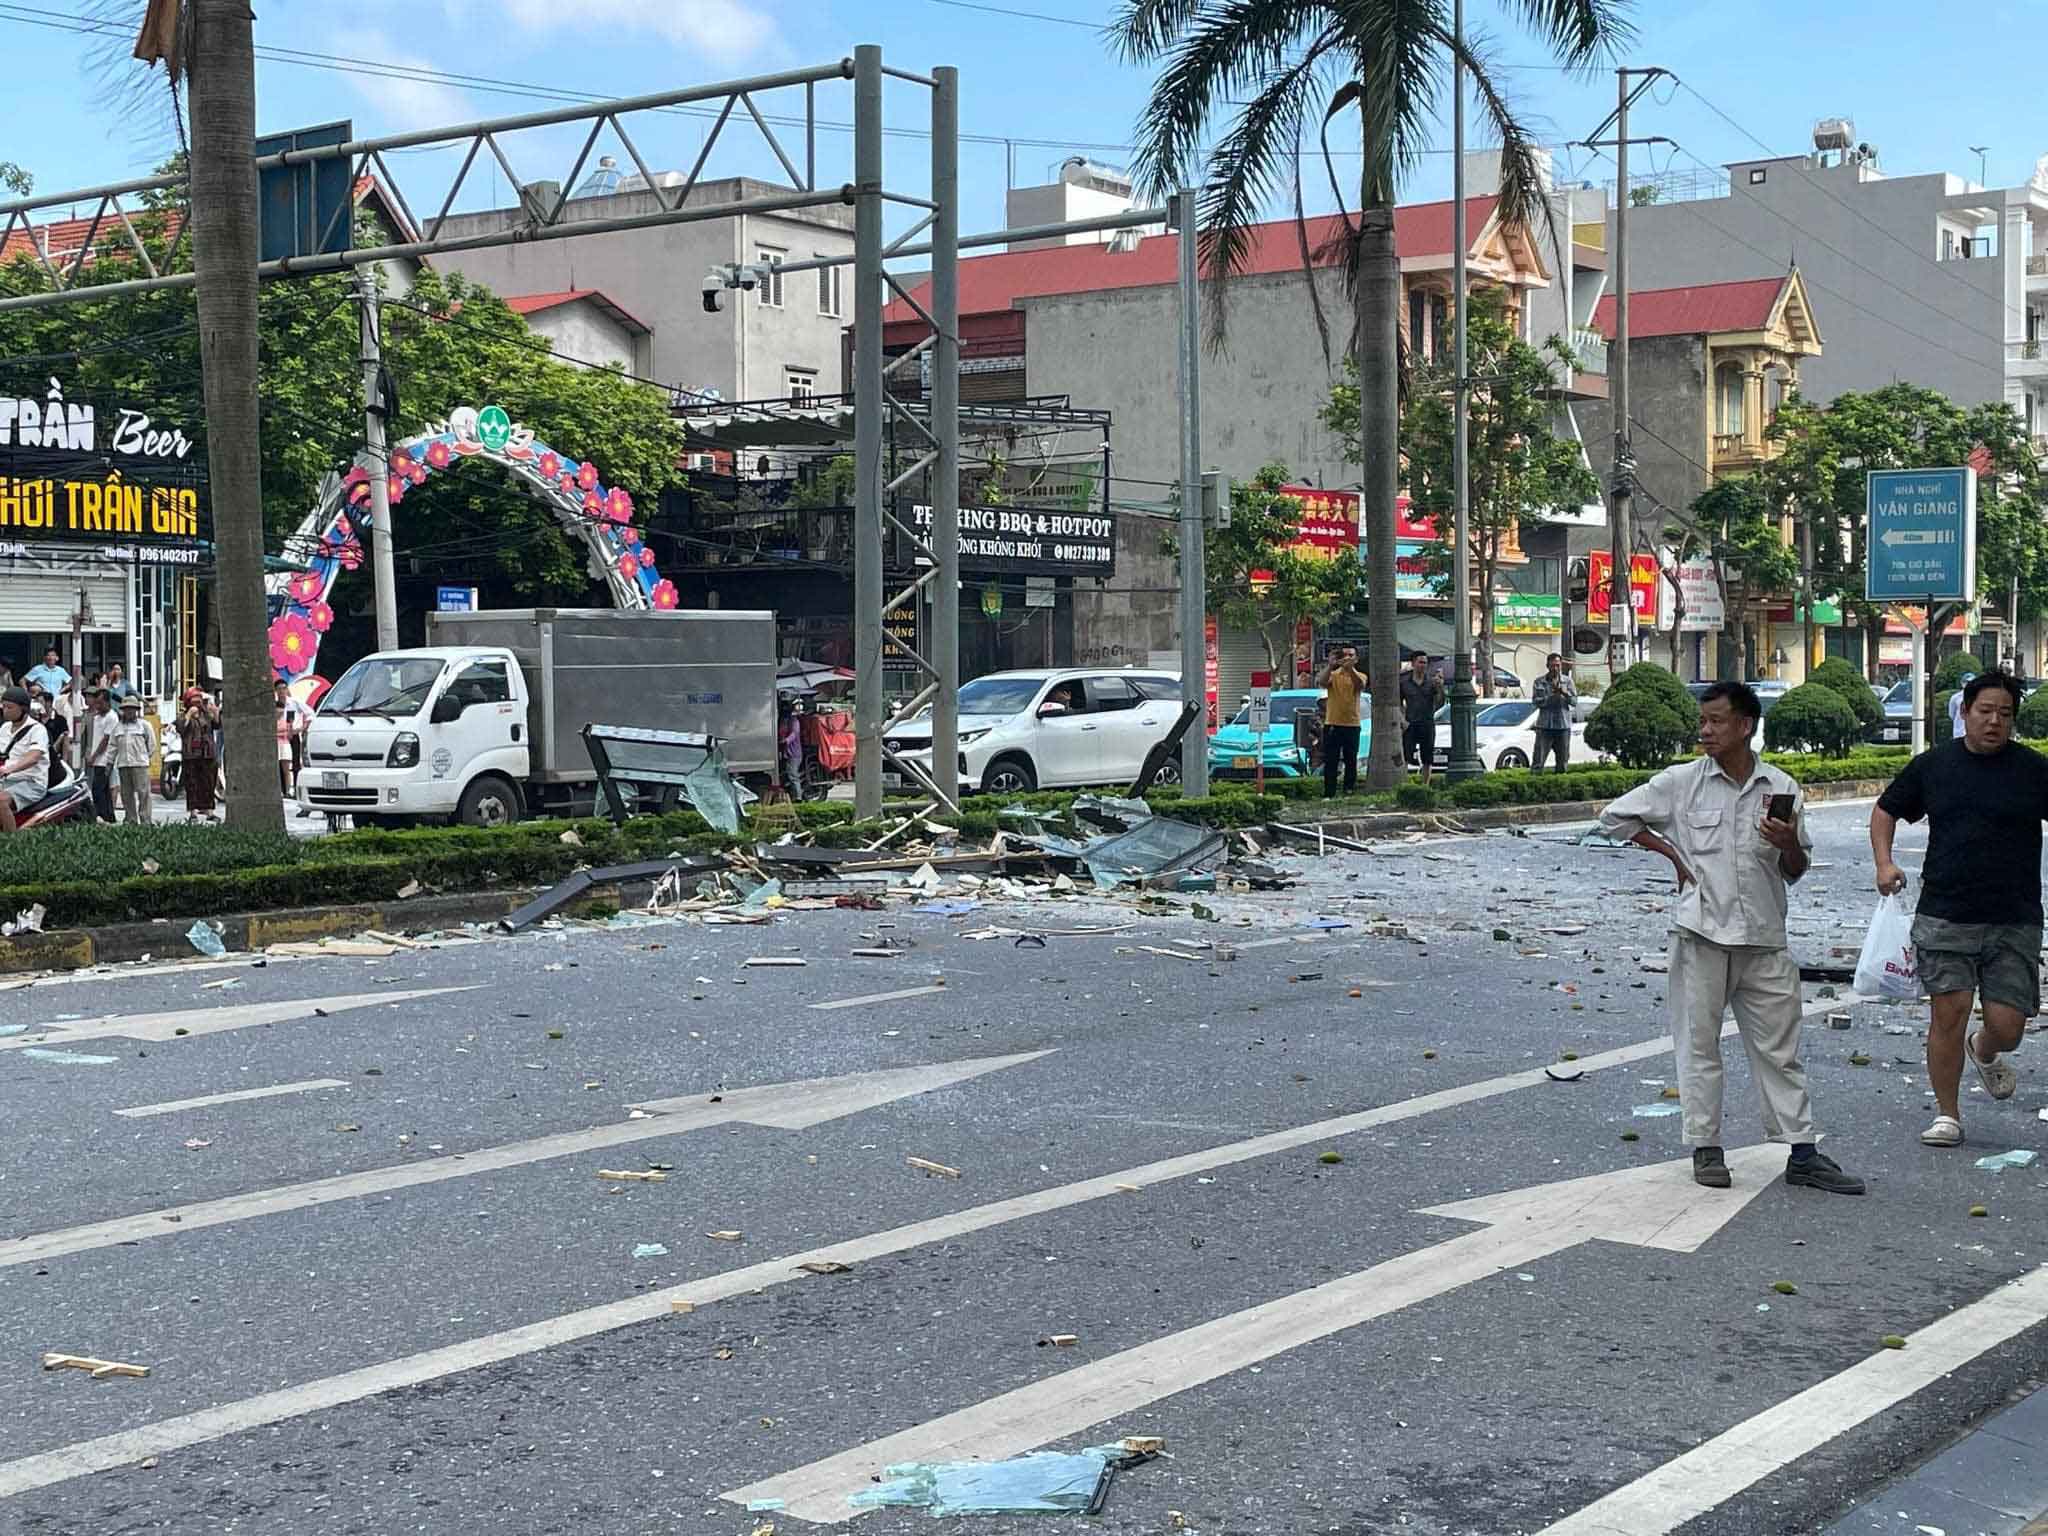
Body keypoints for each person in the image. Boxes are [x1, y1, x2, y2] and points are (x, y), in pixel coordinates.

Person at [1598, 680, 1864, 1194]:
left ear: (1745, 726)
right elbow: (1615, 817)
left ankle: (1802, 1152)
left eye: (1716, 721)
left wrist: (1789, 845)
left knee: (1779, 1050)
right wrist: (1670, 853)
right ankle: (1707, 1148)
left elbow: (1796, 869)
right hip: (1700, 933)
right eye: (1703, 721)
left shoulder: (1781, 789)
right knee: (1698, 1045)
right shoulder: (1681, 783)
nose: (1705, 730)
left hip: (1764, 937)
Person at [1871, 669, 2041, 1149]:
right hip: (1946, 911)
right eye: (1984, 712)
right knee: (1951, 1012)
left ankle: (1984, 1050)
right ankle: (1948, 1114)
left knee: (2008, 1027)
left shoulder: (2032, 770)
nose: (1994, 722)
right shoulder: (1934, 767)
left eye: (2004, 714)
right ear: (1964, 713)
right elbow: (1885, 811)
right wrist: (1884, 863)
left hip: (2015, 915)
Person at [1315, 645, 1365, 797]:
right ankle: (1329, 792)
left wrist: (1350, 669)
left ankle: (1348, 789)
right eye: (1345, 655)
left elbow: (1360, 685)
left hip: (1352, 723)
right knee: (1331, 760)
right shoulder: (1333, 674)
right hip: (1332, 723)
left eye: (1351, 655)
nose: (1348, 658)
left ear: (1356, 659)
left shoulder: (1360, 675)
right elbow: (1322, 682)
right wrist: (1330, 665)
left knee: (1351, 759)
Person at [0, 687, 50, 834]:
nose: (5, 710)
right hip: (6, 780)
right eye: (3, 706)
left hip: (31, 782)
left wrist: (9, 769)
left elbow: (33, 756)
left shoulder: (37, 730)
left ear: (23, 709)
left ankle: (12, 842)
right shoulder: (4, 728)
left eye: (10, 707)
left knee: (1, 800)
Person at [1399, 652, 1445, 784]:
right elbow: (1398, 703)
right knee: (1405, 756)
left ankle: (1425, 786)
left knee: (1427, 758)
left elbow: (1440, 702)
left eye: (1425, 663)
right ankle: (1404, 785)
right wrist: (1402, 720)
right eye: (1420, 662)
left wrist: (1440, 687)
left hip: (1427, 723)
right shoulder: (1404, 682)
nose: (1422, 665)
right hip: (1410, 723)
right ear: (1413, 663)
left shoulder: (1431, 682)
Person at [178, 688, 220, 821]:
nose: (197, 703)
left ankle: (209, 811)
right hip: (191, 755)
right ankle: (193, 812)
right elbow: (181, 729)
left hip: (207, 754)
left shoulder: (206, 715)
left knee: (209, 783)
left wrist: (215, 713)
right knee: (192, 783)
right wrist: (189, 715)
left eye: (199, 700)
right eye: (193, 700)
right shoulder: (183, 715)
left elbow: (217, 725)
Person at [112, 694, 155, 824]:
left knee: (144, 794)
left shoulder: (144, 725)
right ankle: (130, 819)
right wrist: (109, 763)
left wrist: (145, 758)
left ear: (136, 710)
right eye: (126, 709)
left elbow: (152, 744)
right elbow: (112, 746)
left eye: (131, 708)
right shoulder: (118, 727)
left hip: (140, 764)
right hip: (123, 764)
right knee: (126, 794)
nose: (129, 711)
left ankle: (146, 820)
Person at [1531, 652, 1576, 773]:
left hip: (1563, 726)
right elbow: (1536, 702)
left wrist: (1564, 693)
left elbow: (1574, 702)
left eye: (1558, 665)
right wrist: (1552, 696)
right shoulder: (1539, 682)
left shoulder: (1568, 681)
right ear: (1547, 666)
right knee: (1538, 762)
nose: (1555, 668)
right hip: (1545, 726)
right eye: (1552, 665)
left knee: (1563, 762)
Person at [78, 688, 118, 823]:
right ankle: (109, 816)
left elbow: (106, 740)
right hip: (96, 759)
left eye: (100, 703)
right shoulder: (97, 717)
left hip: (105, 759)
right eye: (96, 703)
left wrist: (94, 756)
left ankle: (102, 815)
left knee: (98, 789)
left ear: (107, 702)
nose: (98, 706)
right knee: (103, 789)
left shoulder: (112, 717)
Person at [1947, 672, 1974, 740]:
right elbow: (1951, 714)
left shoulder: (1979, 697)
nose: (1968, 684)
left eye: (1971, 682)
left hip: (1974, 732)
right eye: (1966, 682)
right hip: (1959, 732)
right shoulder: (1955, 697)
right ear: (1962, 683)